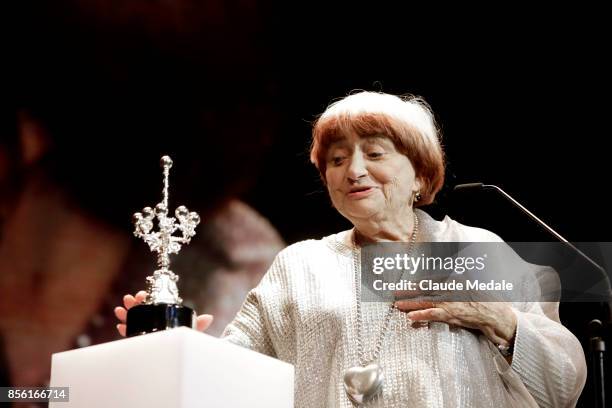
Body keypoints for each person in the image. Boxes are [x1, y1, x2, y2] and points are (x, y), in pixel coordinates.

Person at [116, 91, 587, 407]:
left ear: (421, 175)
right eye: (337, 160)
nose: (353, 170)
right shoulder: (299, 266)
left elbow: (563, 384)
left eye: (375, 153)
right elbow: (239, 378)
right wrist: (181, 350)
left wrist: (500, 320)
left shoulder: (476, 250)